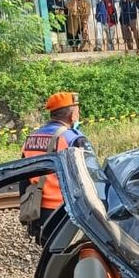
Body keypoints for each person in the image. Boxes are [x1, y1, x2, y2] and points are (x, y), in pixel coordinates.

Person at [20, 92, 90, 242]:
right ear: (72, 116)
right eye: (77, 111)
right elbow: (90, 176)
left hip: (38, 211)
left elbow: (23, 179)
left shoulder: (30, 139)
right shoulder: (73, 139)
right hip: (65, 213)